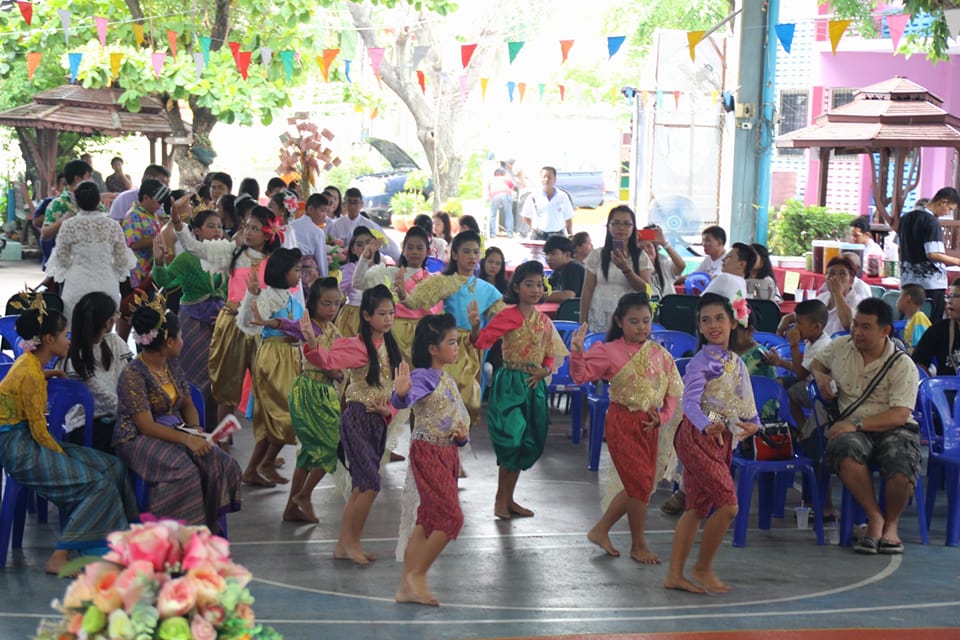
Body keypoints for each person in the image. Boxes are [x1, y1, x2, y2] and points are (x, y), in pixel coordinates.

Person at [0, 298, 138, 574]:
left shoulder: (31, 365)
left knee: (113, 466)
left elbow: (30, 382)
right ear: (49, 339)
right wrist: (64, 456)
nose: (68, 340)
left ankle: (121, 543)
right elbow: (39, 430)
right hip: (21, 448)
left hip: (29, 441)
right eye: (64, 335)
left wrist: (47, 373)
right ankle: (60, 556)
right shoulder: (29, 373)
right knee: (97, 484)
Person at [570, 293, 683, 562]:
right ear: (620, 322)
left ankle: (601, 530)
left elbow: (673, 391)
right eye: (634, 321)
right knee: (639, 484)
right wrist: (577, 351)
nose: (641, 327)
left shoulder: (659, 353)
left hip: (649, 425)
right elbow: (581, 376)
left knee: (639, 485)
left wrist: (663, 417)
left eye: (646, 321)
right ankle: (638, 545)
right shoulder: (608, 351)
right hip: (622, 423)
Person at [115, 293, 241, 534]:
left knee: (221, 462)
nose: (183, 340)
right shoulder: (133, 374)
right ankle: (178, 536)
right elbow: (146, 425)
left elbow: (187, 404)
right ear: (169, 342)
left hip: (173, 429)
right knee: (184, 470)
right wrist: (187, 440)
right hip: (137, 438)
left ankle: (210, 527)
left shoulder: (171, 365)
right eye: (180, 336)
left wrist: (196, 431)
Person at [663, 293, 759, 593]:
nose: (713, 325)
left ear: (733, 322)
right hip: (696, 436)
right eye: (706, 320)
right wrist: (707, 425)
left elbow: (748, 407)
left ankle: (674, 575)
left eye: (719, 318)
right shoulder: (700, 362)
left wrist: (754, 425)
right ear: (700, 327)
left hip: (721, 439)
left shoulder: (736, 362)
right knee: (729, 506)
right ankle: (701, 568)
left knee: (696, 508)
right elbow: (690, 404)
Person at [302, 285, 403, 564]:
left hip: (378, 421)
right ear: (367, 316)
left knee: (361, 485)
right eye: (382, 313)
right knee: (369, 484)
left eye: (391, 313)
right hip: (358, 418)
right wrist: (311, 341)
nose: (388, 318)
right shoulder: (358, 346)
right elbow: (327, 360)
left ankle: (344, 545)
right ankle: (351, 543)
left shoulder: (391, 348)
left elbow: (399, 390)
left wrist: (388, 410)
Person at [811, 298, 921, 555]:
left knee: (902, 461)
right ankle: (874, 517)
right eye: (855, 325)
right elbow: (817, 363)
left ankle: (891, 525)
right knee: (844, 449)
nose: (857, 332)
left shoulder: (902, 364)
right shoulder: (840, 347)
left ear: (885, 331)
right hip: (851, 427)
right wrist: (822, 378)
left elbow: (899, 415)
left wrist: (856, 424)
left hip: (892, 426)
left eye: (866, 327)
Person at [469, 261, 567, 518]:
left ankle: (509, 498)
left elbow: (549, 354)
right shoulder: (507, 316)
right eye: (529, 284)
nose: (535, 290)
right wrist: (476, 326)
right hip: (510, 384)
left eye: (539, 284)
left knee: (526, 441)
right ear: (516, 287)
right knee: (511, 441)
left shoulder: (544, 321)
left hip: (534, 386)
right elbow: (481, 342)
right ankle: (500, 499)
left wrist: (545, 370)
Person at [173, 204, 281, 433]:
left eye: (255, 228)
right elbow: (194, 248)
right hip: (231, 324)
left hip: (260, 327)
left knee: (265, 389)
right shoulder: (233, 253)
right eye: (247, 227)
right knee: (226, 390)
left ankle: (262, 448)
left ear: (267, 234)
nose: (248, 232)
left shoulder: (275, 263)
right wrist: (178, 224)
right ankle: (223, 442)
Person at [392, 314, 471, 606]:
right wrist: (401, 395)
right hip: (428, 452)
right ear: (432, 349)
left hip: (447, 453)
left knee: (427, 519)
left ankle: (406, 585)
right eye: (451, 342)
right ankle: (418, 575)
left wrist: (461, 437)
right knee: (452, 517)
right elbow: (405, 398)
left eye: (457, 342)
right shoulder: (422, 377)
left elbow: (450, 418)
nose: (456, 347)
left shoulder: (446, 378)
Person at [401, 231, 506, 426]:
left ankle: (457, 439)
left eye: (476, 252)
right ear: (455, 254)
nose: (472, 256)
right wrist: (402, 294)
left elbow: (504, 319)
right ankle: (428, 436)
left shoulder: (487, 289)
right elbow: (414, 302)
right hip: (447, 343)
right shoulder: (443, 282)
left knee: (468, 399)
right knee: (440, 395)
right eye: (466, 251)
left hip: (472, 346)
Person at [266, 278, 344, 523]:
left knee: (309, 454)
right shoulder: (310, 326)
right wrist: (265, 321)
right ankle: (304, 495)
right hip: (311, 390)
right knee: (332, 447)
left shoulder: (332, 329)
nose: (332, 309)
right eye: (326, 303)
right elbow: (286, 324)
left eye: (336, 303)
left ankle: (291, 507)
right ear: (313, 303)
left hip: (326, 391)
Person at [151, 208, 228, 428]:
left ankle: (214, 429)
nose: (217, 230)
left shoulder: (225, 257)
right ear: (197, 231)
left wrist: (228, 312)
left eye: (220, 226)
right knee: (192, 374)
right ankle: (191, 425)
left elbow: (230, 291)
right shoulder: (187, 258)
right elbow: (165, 281)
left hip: (218, 323)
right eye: (210, 226)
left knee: (217, 376)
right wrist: (159, 262)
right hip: (192, 324)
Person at [44, 181, 136, 321]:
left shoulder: (68, 225)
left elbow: (61, 259)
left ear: (77, 201)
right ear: (98, 200)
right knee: (103, 330)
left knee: (76, 329)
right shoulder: (113, 225)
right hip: (106, 285)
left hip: (77, 286)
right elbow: (122, 261)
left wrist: (75, 264)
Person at [354, 227, 441, 361]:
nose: (414, 252)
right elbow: (358, 283)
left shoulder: (433, 280)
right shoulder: (390, 273)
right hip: (393, 333)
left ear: (428, 251)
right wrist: (364, 258)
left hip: (422, 336)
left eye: (419, 248)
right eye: (410, 247)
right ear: (403, 250)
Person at [62, 292, 133, 453]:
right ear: (108, 322)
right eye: (116, 315)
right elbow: (102, 397)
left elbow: (131, 377)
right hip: (86, 426)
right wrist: (137, 412)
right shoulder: (75, 358)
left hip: (120, 417)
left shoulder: (115, 343)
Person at [580, 205, 653, 333]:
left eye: (627, 224)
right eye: (616, 223)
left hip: (629, 319)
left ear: (633, 228)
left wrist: (626, 269)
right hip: (599, 315)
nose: (621, 228)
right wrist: (582, 321)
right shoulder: (597, 255)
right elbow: (587, 290)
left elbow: (645, 289)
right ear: (608, 226)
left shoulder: (640, 256)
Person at [767, 299, 831, 437]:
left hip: (817, 390)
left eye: (799, 323)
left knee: (791, 392)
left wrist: (794, 346)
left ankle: (805, 434)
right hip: (807, 382)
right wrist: (780, 362)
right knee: (781, 384)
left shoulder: (822, 346)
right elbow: (801, 368)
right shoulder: (813, 341)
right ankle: (800, 428)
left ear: (817, 327)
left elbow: (800, 374)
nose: (795, 327)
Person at [899, 187, 960, 321]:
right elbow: (933, 254)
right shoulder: (931, 221)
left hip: (908, 281)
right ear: (943, 202)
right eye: (949, 209)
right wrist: (957, 261)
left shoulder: (905, 218)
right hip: (931, 285)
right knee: (931, 325)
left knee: (910, 323)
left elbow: (900, 249)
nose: (948, 213)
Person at [778, 256, 867, 338]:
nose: (836, 278)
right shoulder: (822, 298)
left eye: (842, 274)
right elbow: (807, 315)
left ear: (851, 280)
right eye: (832, 273)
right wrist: (788, 318)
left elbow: (849, 324)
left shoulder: (857, 302)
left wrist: (837, 293)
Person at [325, 187, 401, 261]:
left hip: (365, 262)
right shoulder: (336, 225)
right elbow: (330, 246)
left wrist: (399, 261)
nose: (352, 206)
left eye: (356, 202)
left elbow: (388, 244)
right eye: (349, 202)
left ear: (361, 204)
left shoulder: (370, 225)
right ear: (344, 203)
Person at [123, 179, 171, 291]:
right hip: (140, 273)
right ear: (145, 198)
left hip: (152, 270)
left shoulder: (150, 213)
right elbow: (134, 244)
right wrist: (162, 237)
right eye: (158, 201)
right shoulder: (133, 216)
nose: (160, 205)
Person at [337, 225, 380, 338]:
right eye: (359, 245)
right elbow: (339, 293)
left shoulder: (381, 268)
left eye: (368, 243)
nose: (365, 248)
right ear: (352, 249)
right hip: (353, 315)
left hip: (376, 315)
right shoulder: (349, 269)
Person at [913, 277, 960, 375]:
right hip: (945, 385)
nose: (949, 301)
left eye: (955, 296)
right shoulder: (939, 329)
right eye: (948, 296)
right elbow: (919, 362)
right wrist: (930, 383)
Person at [41, 159, 93, 244]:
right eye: (88, 177)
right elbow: (44, 235)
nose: (91, 180)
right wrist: (62, 222)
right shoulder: (58, 204)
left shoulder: (94, 201)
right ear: (77, 179)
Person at [521, 166, 574, 240]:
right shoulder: (533, 196)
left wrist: (570, 235)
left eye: (549, 177)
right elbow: (525, 216)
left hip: (558, 236)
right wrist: (534, 228)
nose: (546, 180)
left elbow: (568, 218)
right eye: (544, 177)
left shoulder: (562, 196)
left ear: (555, 179)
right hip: (539, 236)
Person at [291, 192, 330, 278]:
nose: (325, 216)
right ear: (310, 209)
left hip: (289, 272)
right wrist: (325, 279)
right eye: (322, 211)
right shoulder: (318, 232)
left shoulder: (291, 225)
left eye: (326, 212)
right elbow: (321, 260)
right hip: (306, 275)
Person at [641, 225, 685, 298]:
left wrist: (664, 243)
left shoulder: (664, 266)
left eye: (649, 246)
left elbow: (681, 266)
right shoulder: (634, 270)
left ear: (655, 249)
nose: (646, 250)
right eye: (641, 248)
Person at [543, 235, 585, 302]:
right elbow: (545, 288)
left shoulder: (573, 268)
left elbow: (568, 296)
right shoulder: (557, 271)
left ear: (567, 255)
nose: (548, 258)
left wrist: (538, 296)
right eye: (546, 254)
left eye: (553, 254)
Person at [898, 283, 931, 353]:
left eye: (900, 296)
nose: (897, 301)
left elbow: (920, 348)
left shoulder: (918, 317)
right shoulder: (911, 319)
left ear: (908, 298)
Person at [487, 167, 516, 238]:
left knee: (492, 215)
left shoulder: (491, 180)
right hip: (506, 194)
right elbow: (513, 187)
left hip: (494, 195)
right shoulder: (506, 178)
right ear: (503, 173)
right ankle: (509, 234)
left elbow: (489, 191)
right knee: (508, 214)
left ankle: (492, 234)